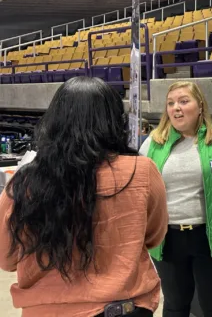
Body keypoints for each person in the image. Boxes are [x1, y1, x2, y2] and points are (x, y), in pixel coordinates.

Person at [0, 77, 169, 317]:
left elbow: (5, 258)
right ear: (114, 121)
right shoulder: (141, 171)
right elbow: (153, 236)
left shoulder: (26, 181)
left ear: (55, 121)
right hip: (125, 308)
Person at [139, 81, 212, 317]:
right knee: (174, 306)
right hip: (167, 240)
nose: (176, 108)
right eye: (171, 103)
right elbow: (141, 188)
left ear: (200, 105)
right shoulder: (153, 143)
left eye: (184, 101)